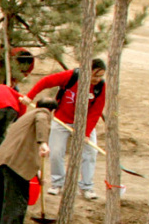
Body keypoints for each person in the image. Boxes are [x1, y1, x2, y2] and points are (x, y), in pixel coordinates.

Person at [30, 58, 108, 200]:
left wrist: (86, 132)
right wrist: (30, 97)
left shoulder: (101, 87)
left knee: (90, 153)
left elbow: (95, 112)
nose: (97, 79)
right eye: (95, 75)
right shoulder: (71, 77)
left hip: (84, 123)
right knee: (56, 152)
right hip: (62, 120)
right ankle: (57, 183)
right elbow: (45, 82)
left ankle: (86, 186)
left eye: (100, 76)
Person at [0, 96, 51, 224]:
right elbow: (42, 118)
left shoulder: (24, 119)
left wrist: (38, 176)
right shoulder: (42, 115)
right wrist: (43, 142)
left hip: (3, 162)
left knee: (6, 202)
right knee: (17, 203)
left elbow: (27, 148)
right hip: (15, 166)